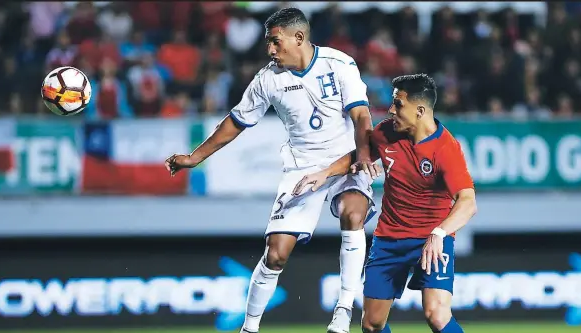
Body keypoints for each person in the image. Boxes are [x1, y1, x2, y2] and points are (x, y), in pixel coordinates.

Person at [166, 7, 379, 333]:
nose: (270, 50)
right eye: (269, 43)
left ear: (298, 37)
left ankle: (343, 310)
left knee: (354, 213)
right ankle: (249, 328)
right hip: (301, 168)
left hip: (346, 160)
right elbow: (236, 121)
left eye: (275, 42)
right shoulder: (268, 79)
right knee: (276, 254)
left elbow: (362, 116)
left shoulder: (338, 65)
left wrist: (363, 155)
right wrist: (196, 157)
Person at [294, 74, 478, 333]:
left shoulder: (446, 149)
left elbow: (468, 202)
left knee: (437, 314)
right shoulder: (386, 133)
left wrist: (439, 233)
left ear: (420, 110)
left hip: (432, 240)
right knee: (371, 324)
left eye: (398, 104)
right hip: (389, 239)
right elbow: (359, 154)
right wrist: (325, 173)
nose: (391, 110)